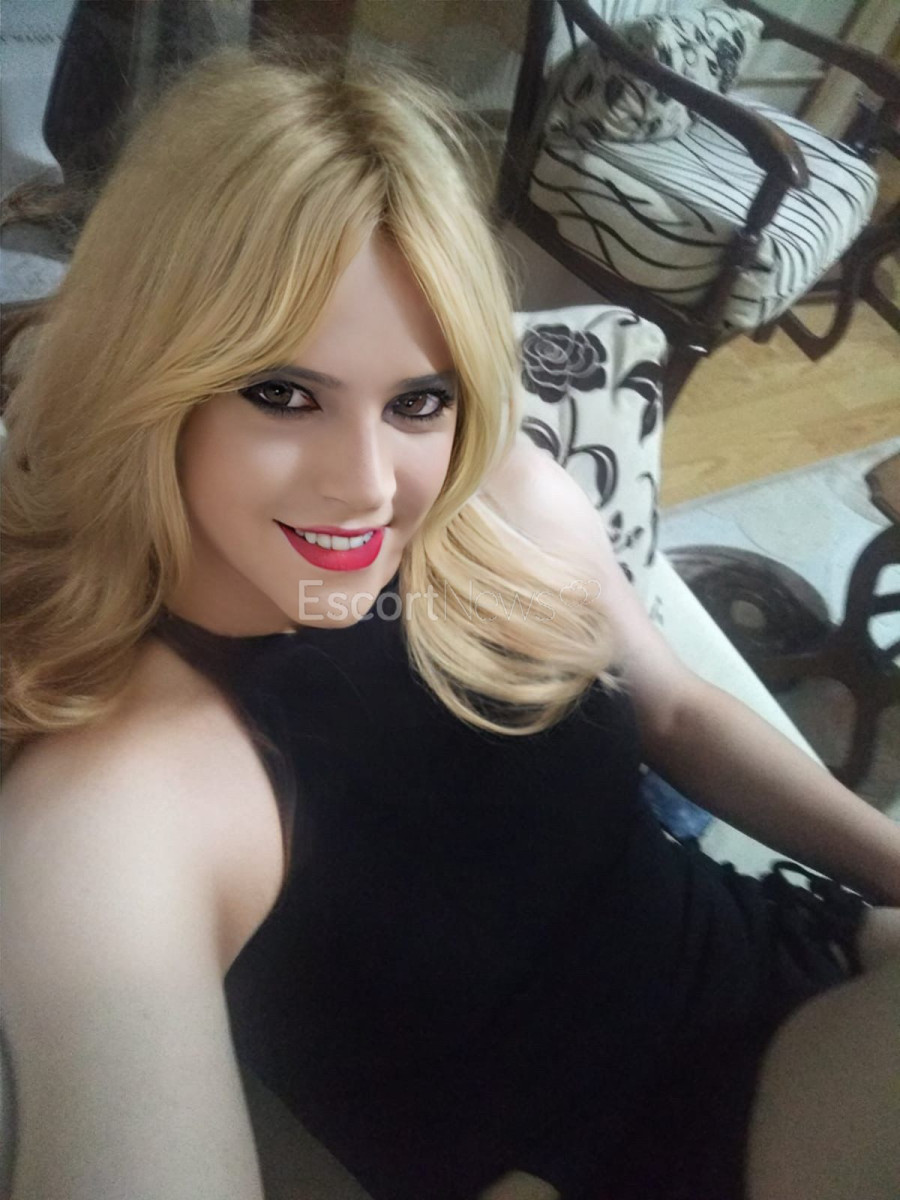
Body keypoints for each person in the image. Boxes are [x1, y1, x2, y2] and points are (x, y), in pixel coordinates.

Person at [1, 39, 898, 1200]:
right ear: (152, 380)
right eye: (284, 393)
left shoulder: (499, 502)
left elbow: (675, 711)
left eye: (418, 400)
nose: (371, 487)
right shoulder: (131, 792)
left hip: (783, 949)